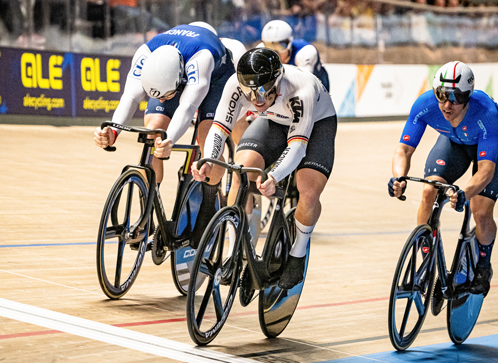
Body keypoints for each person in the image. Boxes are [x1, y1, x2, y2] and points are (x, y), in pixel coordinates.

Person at [191, 48, 337, 289]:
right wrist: (208, 158)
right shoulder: (235, 84)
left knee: (308, 191)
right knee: (240, 171)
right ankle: (233, 252)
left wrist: (274, 175)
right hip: (273, 121)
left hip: (317, 124)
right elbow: (220, 126)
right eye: (250, 94)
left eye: (263, 92)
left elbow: (298, 147)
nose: (256, 100)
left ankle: (298, 254)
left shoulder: (301, 89)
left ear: (277, 81)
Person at [93, 23, 235, 247]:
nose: (160, 100)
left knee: (208, 138)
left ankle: (209, 202)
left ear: (179, 81)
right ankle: (148, 212)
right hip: (169, 73)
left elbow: (187, 107)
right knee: (154, 130)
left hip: (217, 78)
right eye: (154, 95)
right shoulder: (144, 54)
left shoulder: (203, 58)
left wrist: (170, 140)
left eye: (166, 95)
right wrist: (112, 131)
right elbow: (129, 98)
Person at [388, 61, 498, 305]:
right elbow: (403, 150)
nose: (447, 105)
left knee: (481, 210)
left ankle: (484, 266)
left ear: (468, 96)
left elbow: (486, 170)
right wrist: (399, 176)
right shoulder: (425, 105)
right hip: (454, 143)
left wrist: (464, 192)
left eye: (455, 99)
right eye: (442, 96)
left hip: (485, 149)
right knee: (428, 191)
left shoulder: (486, 113)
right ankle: (427, 259)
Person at [260, 19, 330, 93]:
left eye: (280, 46)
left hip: (317, 85)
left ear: (289, 43)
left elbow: (304, 85)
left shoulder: (305, 53)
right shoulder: (260, 51)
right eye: (269, 47)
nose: (275, 53)